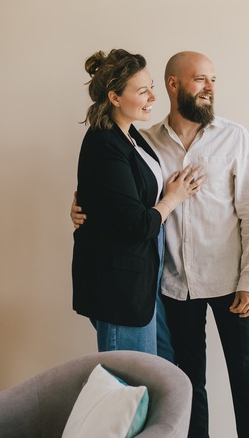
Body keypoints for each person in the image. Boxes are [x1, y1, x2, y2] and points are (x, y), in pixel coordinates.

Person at [72, 51, 249, 438]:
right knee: (187, 385)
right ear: (173, 84)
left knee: (246, 383)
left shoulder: (235, 137)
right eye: (200, 79)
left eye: (213, 79)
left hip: (231, 282)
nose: (210, 88)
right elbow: (119, 198)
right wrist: (82, 209)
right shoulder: (145, 142)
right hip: (174, 288)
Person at [72, 48, 203, 356]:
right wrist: (174, 198)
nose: (153, 98)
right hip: (120, 286)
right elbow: (135, 224)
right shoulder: (103, 143)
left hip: (144, 277)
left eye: (152, 88)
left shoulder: (131, 135)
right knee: (129, 387)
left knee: (162, 366)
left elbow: (120, 199)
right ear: (115, 97)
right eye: (143, 91)